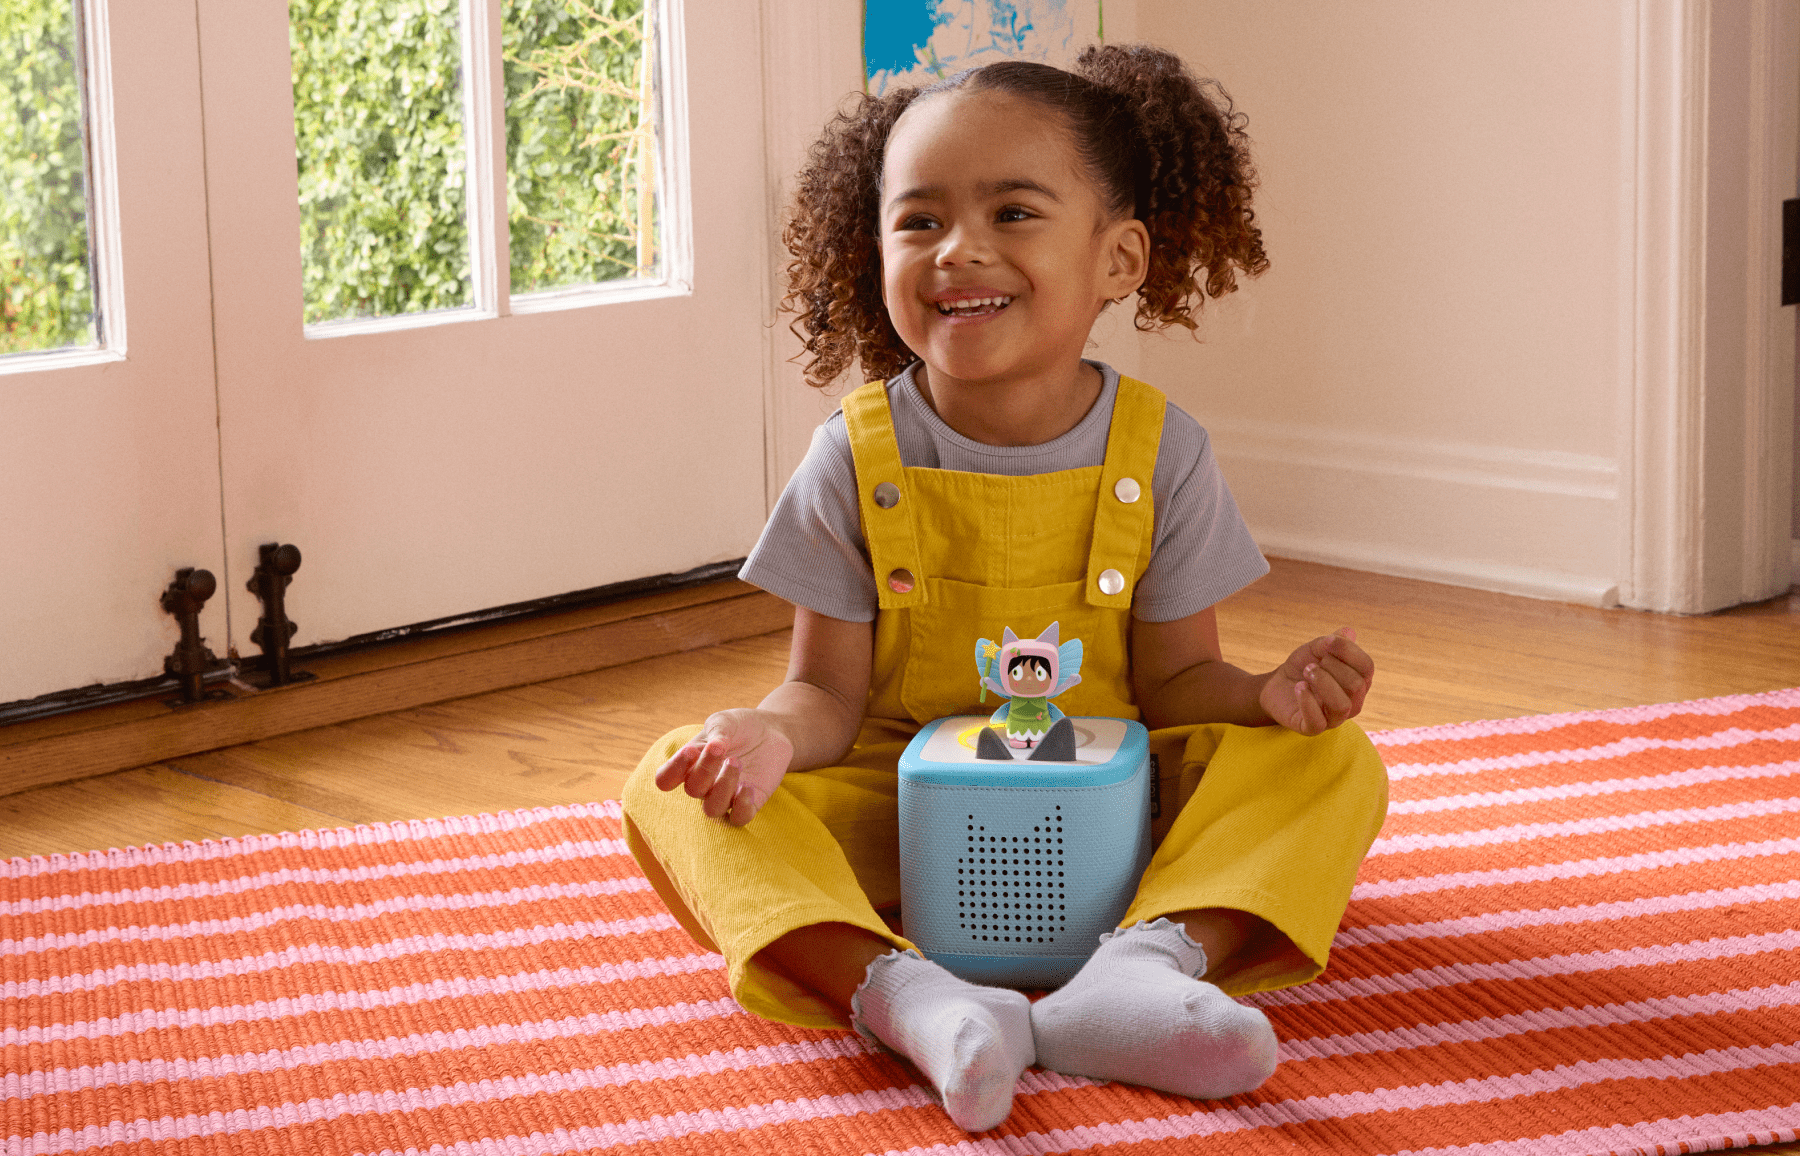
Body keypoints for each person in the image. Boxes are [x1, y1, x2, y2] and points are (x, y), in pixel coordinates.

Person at [621, 43, 1388, 1134]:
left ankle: (1144, 966)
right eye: (919, 220)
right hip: (905, 829)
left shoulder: (1161, 451)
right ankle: (910, 994)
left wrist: (1267, 695)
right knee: (668, 781)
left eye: (1014, 213)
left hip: (1124, 832)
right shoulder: (853, 456)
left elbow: (1176, 683)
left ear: (1117, 257)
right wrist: (764, 734)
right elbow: (826, 698)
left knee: (1334, 764)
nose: (957, 251)